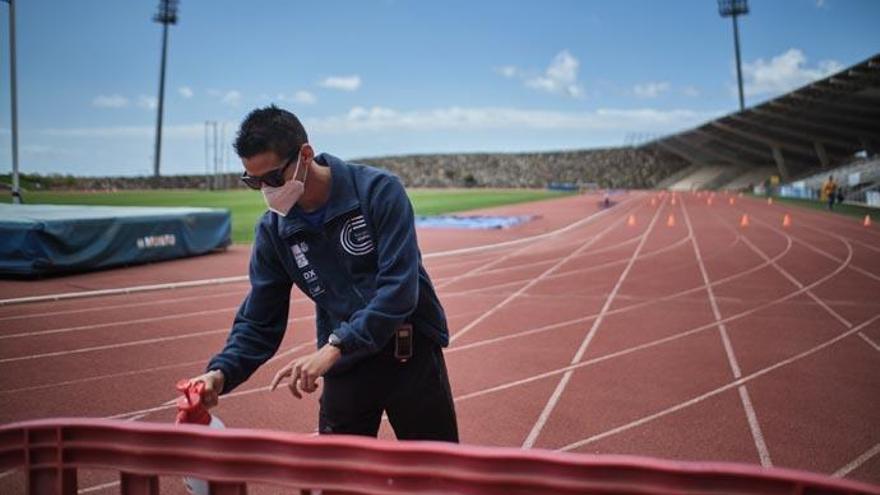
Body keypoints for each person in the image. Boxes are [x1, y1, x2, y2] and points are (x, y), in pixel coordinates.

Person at [186, 105, 458, 442]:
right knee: (337, 477)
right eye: (253, 182)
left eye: (273, 178)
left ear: (305, 155)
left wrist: (335, 346)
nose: (267, 191)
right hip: (346, 363)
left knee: (436, 476)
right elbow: (260, 320)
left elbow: (399, 290)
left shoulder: (378, 191)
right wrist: (221, 372)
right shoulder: (274, 231)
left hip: (409, 353)